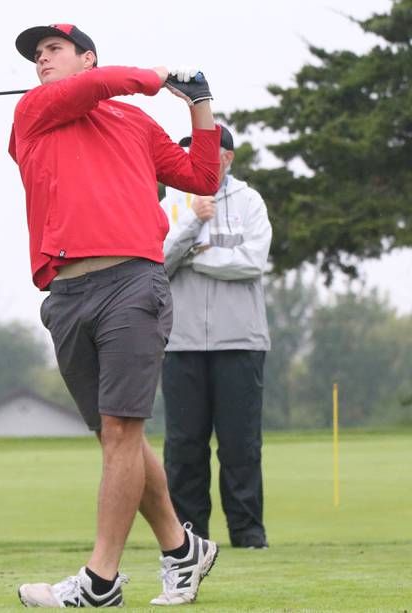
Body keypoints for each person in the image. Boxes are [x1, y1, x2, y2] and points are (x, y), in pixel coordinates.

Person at [8, 24, 221, 607]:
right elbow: (101, 86)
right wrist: (158, 77)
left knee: (123, 430)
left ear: (86, 56)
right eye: (36, 55)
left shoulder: (134, 123)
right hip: (68, 295)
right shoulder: (36, 112)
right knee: (115, 434)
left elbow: (201, 177)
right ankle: (184, 551)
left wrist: (201, 107)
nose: (41, 61)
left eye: (53, 50)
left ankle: (100, 581)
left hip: (132, 281)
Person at [159, 125, 272, 549]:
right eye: (192, 153)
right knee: (184, 447)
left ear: (228, 157)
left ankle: (248, 534)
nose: (202, 160)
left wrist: (196, 260)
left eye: (211, 153)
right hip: (181, 342)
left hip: (240, 340)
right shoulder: (170, 202)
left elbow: (252, 263)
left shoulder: (250, 202)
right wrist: (192, 224)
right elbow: (159, 260)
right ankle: (189, 539)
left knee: (240, 445)